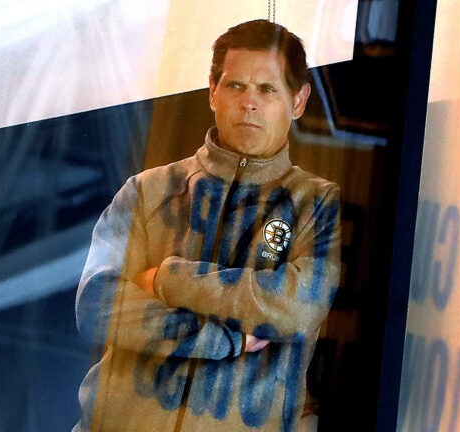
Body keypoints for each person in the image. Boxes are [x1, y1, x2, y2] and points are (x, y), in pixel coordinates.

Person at [73, 19, 341, 431]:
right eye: (235, 86)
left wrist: (166, 279)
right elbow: (95, 305)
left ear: (298, 100)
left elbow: (298, 308)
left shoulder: (316, 203)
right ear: (213, 91)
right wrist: (224, 340)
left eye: (267, 89)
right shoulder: (147, 190)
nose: (249, 102)